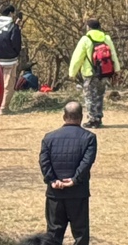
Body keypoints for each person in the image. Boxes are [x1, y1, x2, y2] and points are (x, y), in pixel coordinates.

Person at [39, 100, 96, 245]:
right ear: (81, 117)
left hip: (55, 193)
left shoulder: (49, 138)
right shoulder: (89, 138)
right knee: (80, 233)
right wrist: (75, 180)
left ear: (64, 116)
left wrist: (52, 180)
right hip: (78, 193)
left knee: (53, 234)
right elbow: (86, 163)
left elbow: (44, 162)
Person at [68, 20, 118, 129]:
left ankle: (92, 120)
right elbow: (113, 55)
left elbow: (77, 57)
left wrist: (72, 72)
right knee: (99, 96)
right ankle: (98, 118)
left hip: (90, 73)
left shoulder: (85, 39)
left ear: (88, 27)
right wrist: (117, 69)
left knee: (90, 97)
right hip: (104, 73)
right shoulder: (106, 38)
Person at [0, 5, 24, 108]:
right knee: (8, 84)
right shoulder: (13, 27)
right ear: (10, 13)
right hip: (10, 59)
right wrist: (16, 52)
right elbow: (15, 42)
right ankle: (3, 107)